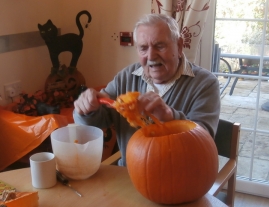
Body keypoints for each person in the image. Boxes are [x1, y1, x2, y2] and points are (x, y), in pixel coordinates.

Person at [73, 13, 220, 166]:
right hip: (129, 175)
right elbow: (95, 121)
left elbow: (203, 141)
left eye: (160, 46)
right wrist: (86, 109)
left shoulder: (205, 83)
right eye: (143, 48)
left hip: (179, 177)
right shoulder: (125, 77)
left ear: (179, 45)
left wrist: (170, 117)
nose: (151, 55)